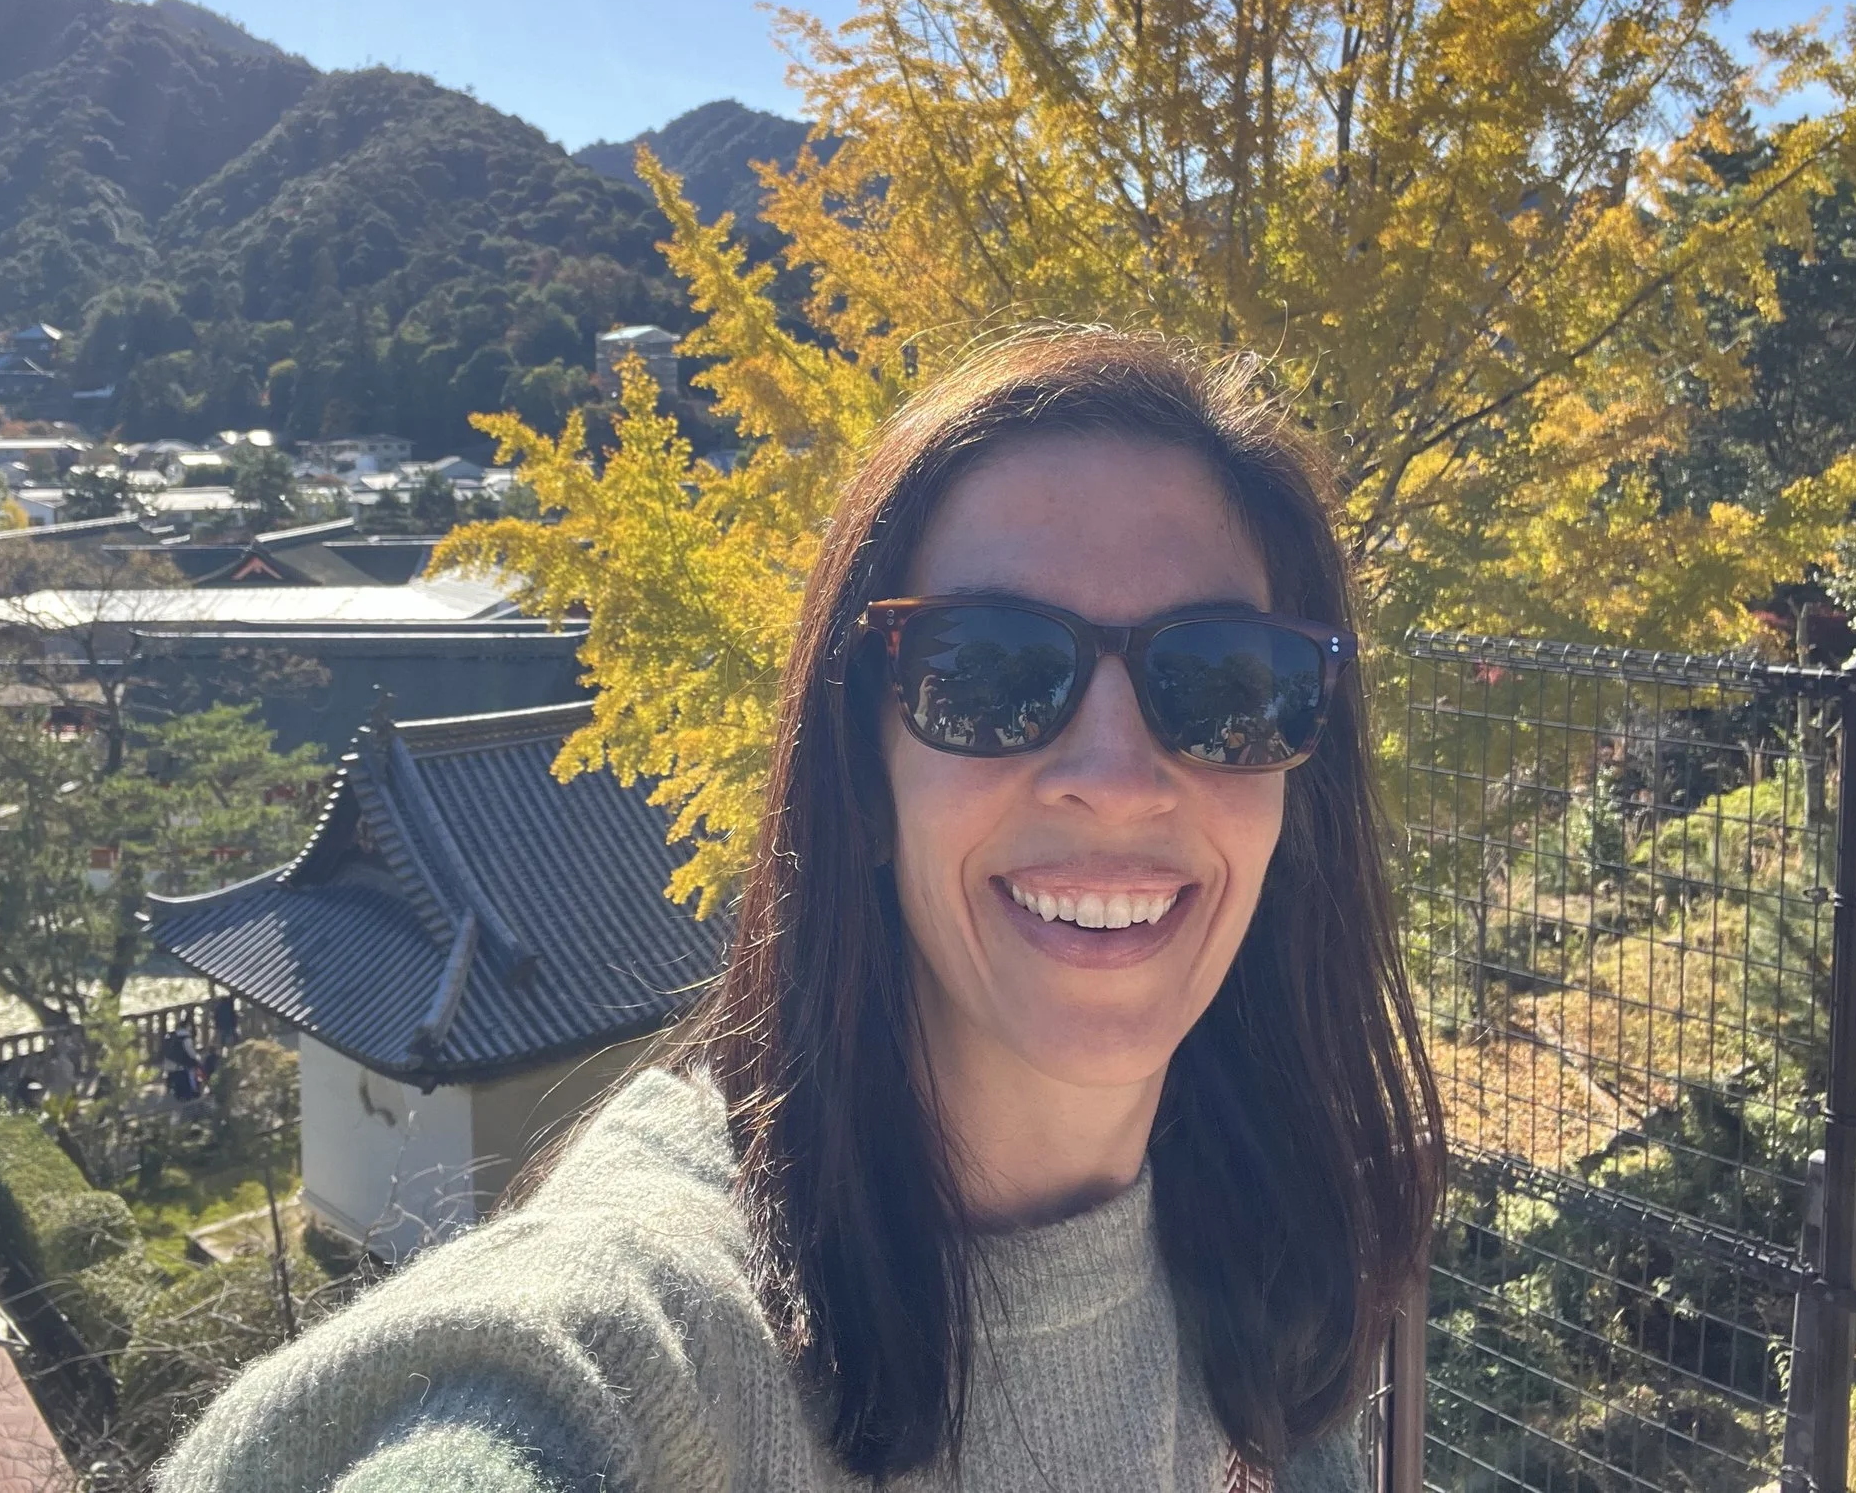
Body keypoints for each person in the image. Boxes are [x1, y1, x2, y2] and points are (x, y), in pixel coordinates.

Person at [158, 332, 1443, 1493]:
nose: (1112, 779)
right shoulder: (666, 1335)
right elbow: (531, 1385)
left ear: (1296, 779)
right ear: (864, 781)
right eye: (987, 674)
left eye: (1225, 684)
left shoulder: (1276, 1249)